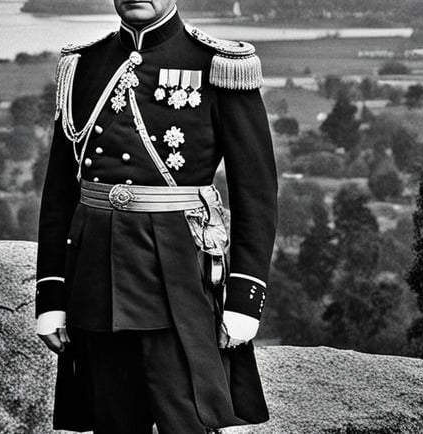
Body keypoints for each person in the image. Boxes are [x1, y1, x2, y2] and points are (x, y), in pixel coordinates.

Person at [35, 0, 278, 433]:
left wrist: (244, 299)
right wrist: (51, 296)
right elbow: (59, 194)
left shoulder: (220, 65)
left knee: (186, 419)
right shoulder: (83, 65)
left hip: (178, 277)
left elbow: (255, 194)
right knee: (112, 420)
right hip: (95, 276)